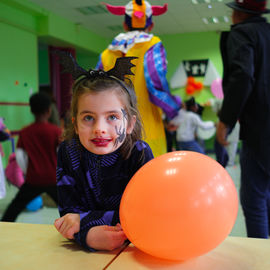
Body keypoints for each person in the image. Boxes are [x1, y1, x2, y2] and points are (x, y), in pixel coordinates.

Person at [53, 53, 154, 251]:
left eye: (112, 117)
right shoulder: (68, 152)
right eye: (88, 118)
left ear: (130, 124)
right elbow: (68, 217)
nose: (100, 128)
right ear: (75, 124)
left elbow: (147, 214)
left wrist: (84, 221)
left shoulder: (139, 154)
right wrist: (87, 237)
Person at [96, 0, 181, 157]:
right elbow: (155, 84)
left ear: (125, 25)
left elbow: (96, 91)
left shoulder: (107, 54)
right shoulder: (153, 45)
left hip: (112, 134)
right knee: (149, 177)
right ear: (151, 25)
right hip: (146, 131)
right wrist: (173, 111)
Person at [216, 0, 270, 238]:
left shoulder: (243, 33)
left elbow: (242, 76)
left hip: (260, 128)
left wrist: (225, 120)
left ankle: (261, 258)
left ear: (238, 13)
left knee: (254, 201)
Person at [1, 92, 62, 222]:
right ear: (49, 111)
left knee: (14, 208)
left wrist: (26, 172)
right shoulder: (56, 131)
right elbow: (62, 154)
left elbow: (20, 156)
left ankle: (4, 226)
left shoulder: (25, 132)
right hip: (53, 179)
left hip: (33, 179)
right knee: (68, 209)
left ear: (31, 110)